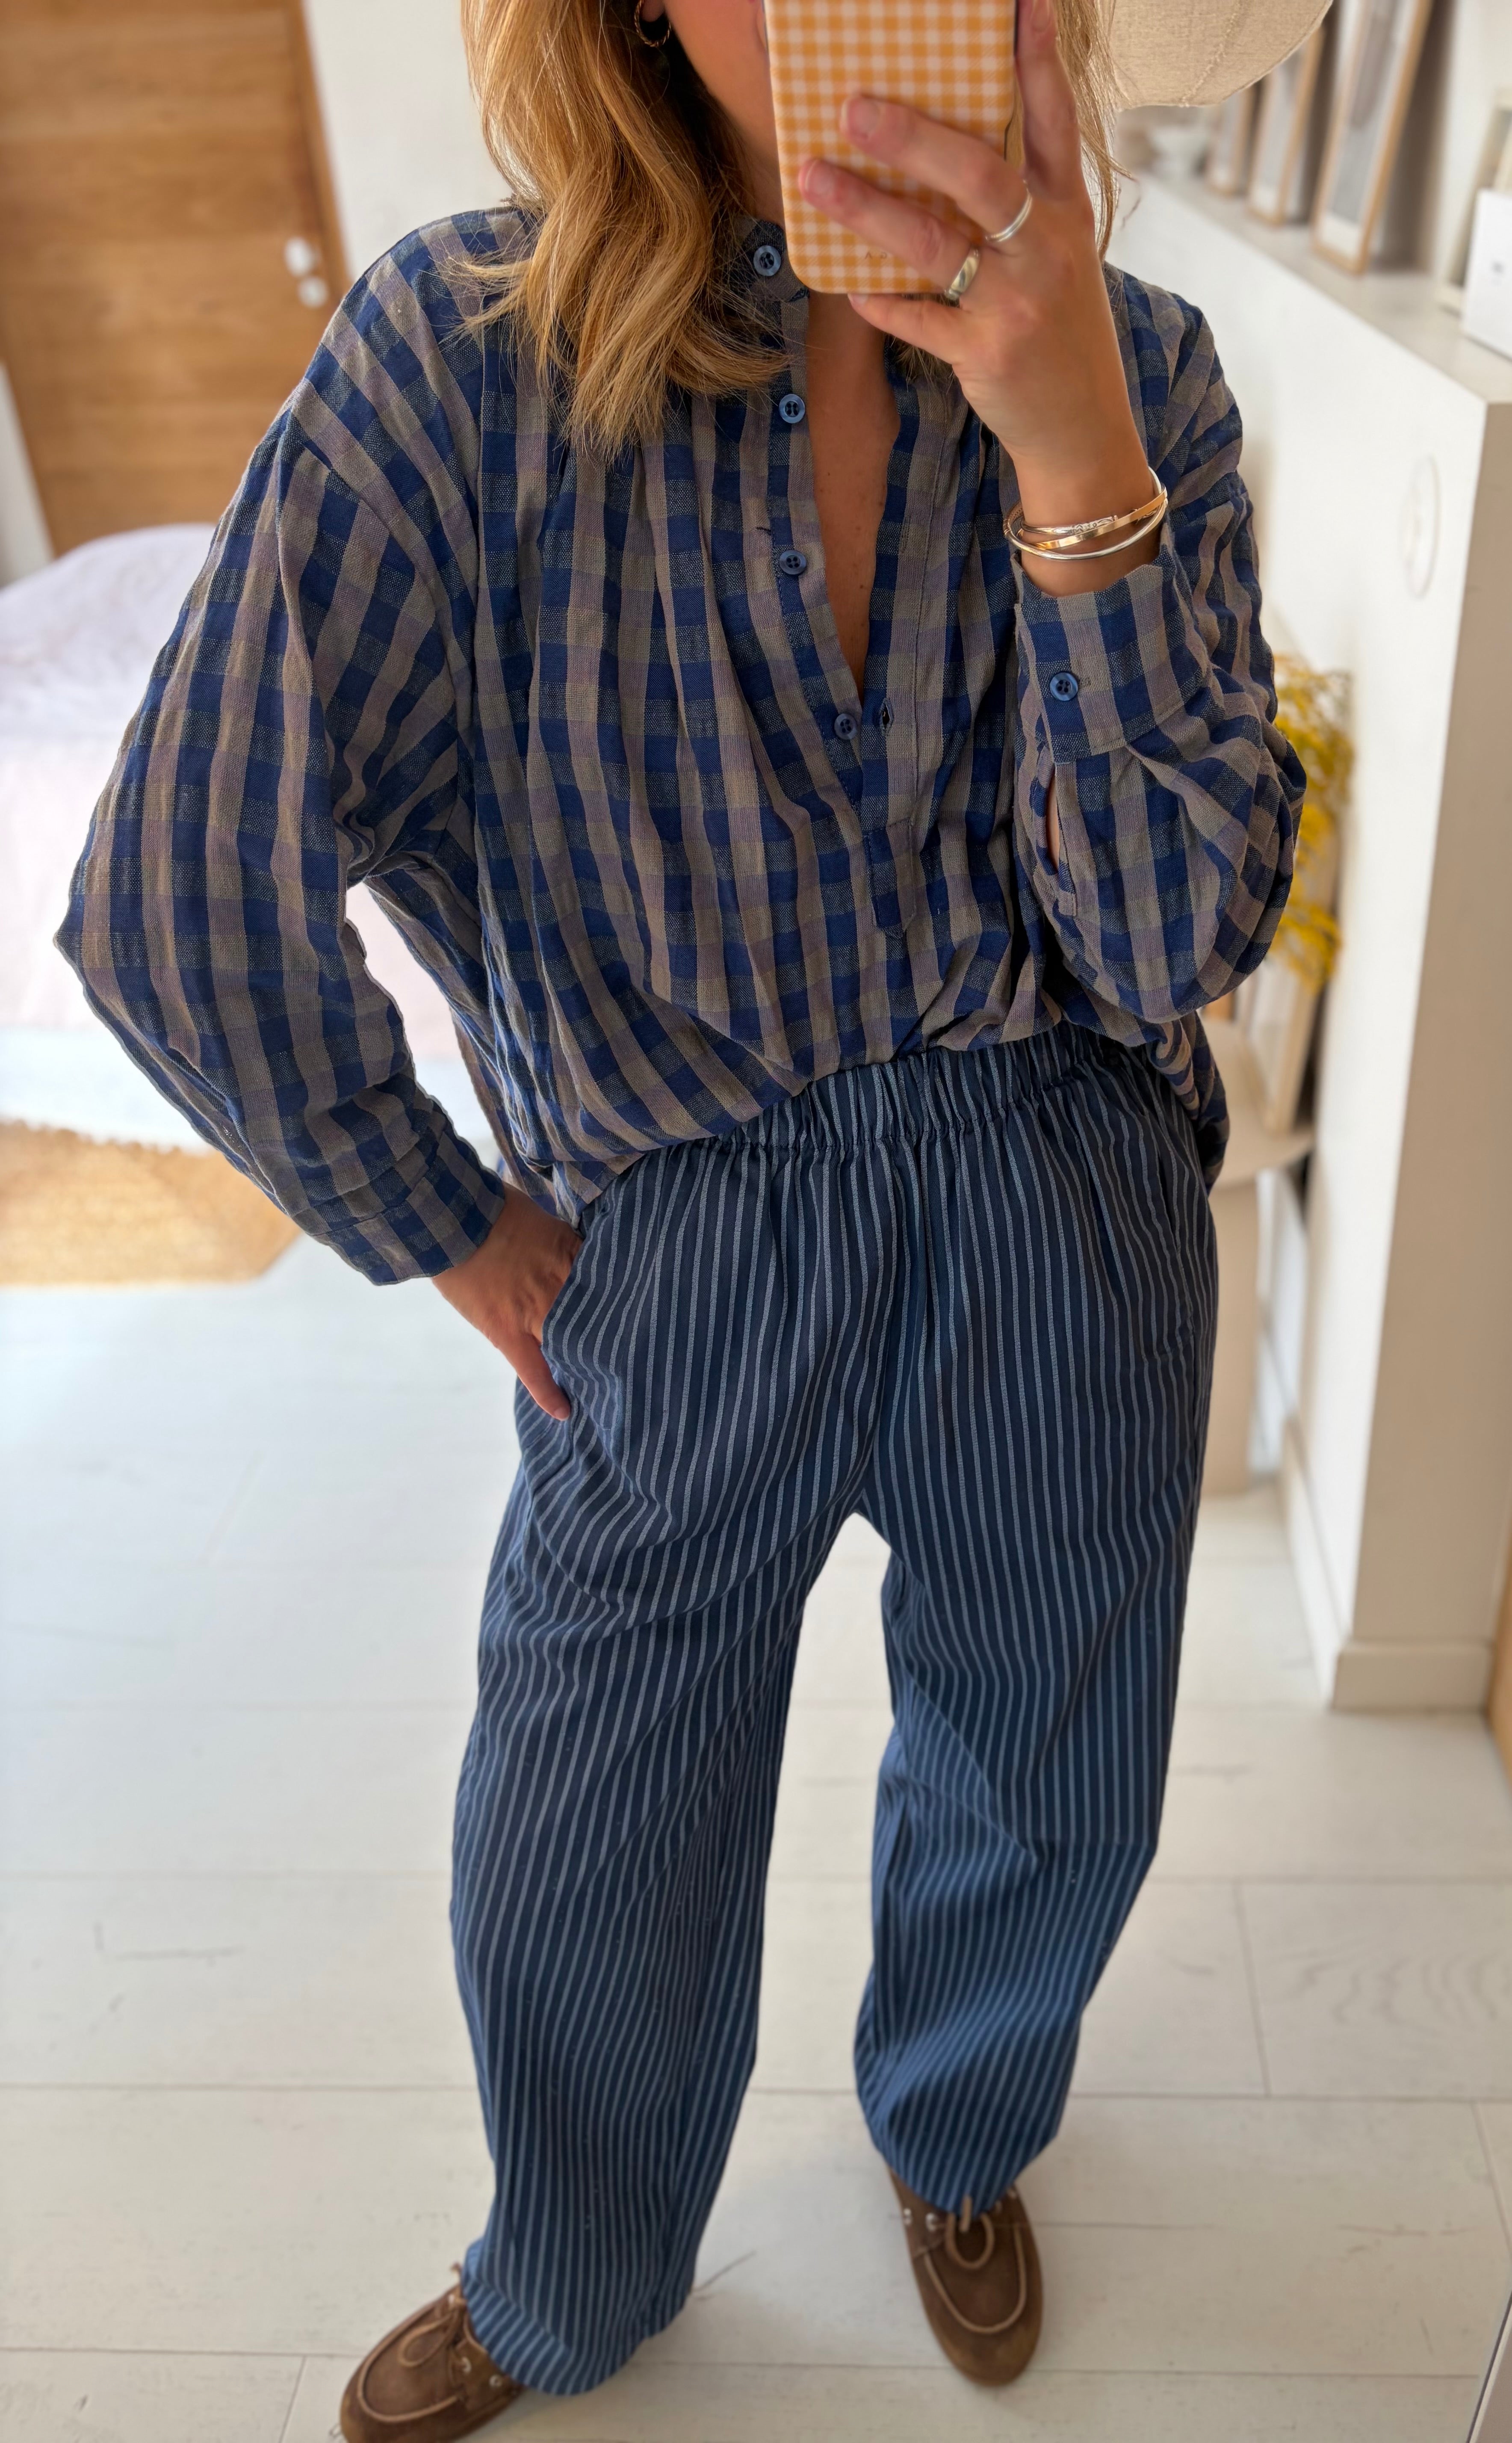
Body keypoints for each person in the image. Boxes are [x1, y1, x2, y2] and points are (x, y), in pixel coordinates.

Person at [60, 0, 1303, 2430]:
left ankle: (958, 2134)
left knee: (1052, 1769)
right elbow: (176, 894)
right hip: (674, 1243)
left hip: (1061, 1198)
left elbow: (1173, 944)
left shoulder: (1146, 369)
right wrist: (451, 1225)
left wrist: (1070, 444)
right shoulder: (460, 364)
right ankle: (571, 2274)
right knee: (586, 1829)